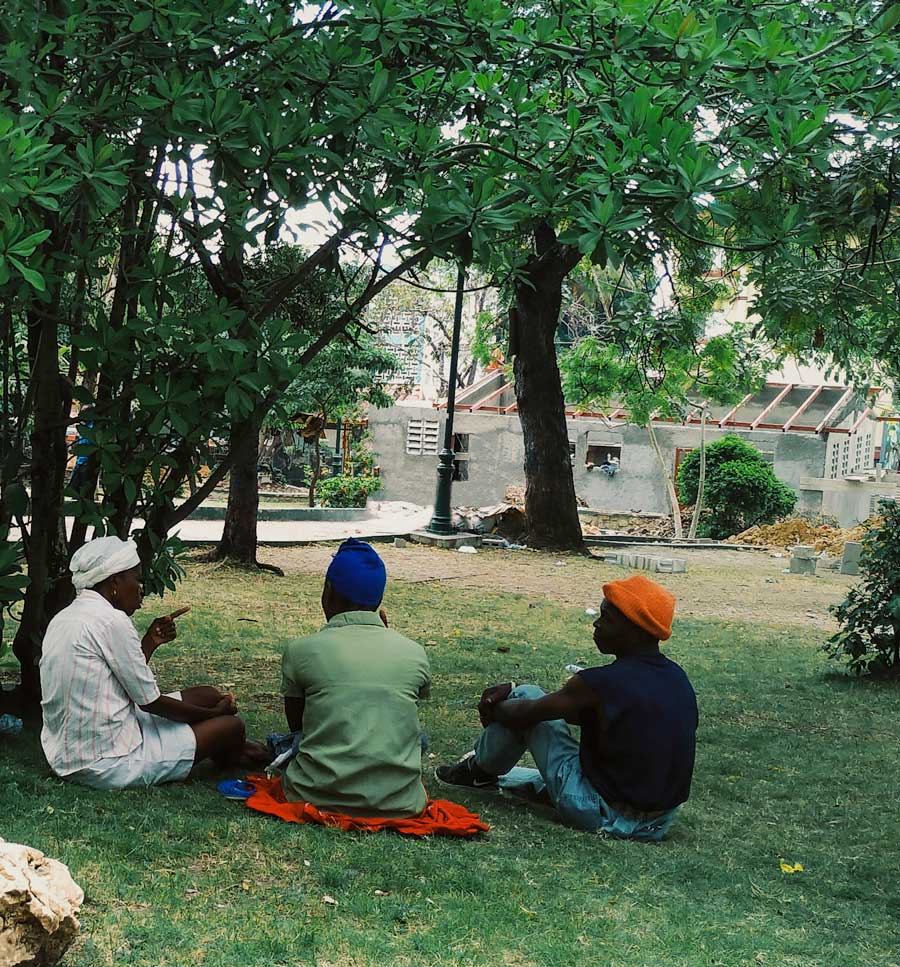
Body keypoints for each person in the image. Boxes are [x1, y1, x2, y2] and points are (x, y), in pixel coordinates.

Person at [436, 574, 698, 841]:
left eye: (606, 617)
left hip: (600, 812)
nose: (596, 623)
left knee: (527, 695)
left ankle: (476, 772)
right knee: (532, 718)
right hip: (658, 823)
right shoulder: (677, 678)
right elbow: (589, 715)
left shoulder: (599, 683)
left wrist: (494, 706)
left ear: (633, 628)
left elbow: (528, 714)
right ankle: (503, 776)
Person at [40, 536, 267, 790]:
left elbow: (123, 678)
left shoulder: (66, 616)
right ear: (114, 581)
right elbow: (150, 702)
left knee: (208, 694)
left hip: (68, 754)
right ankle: (234, 750)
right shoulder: (112, 620)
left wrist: (149, 642)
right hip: (107, 762)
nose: (141, 588)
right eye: (136, 579)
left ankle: (230, 746)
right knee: (231, 725)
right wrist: (215, 715)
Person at [279, 538, 430, 816]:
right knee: (419, 738)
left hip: (315, 792)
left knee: (284, 742)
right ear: (378, 599)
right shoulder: (414, 652)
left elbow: (298, 727)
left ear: (328, 592)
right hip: (400, 801)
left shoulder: (301, 650)